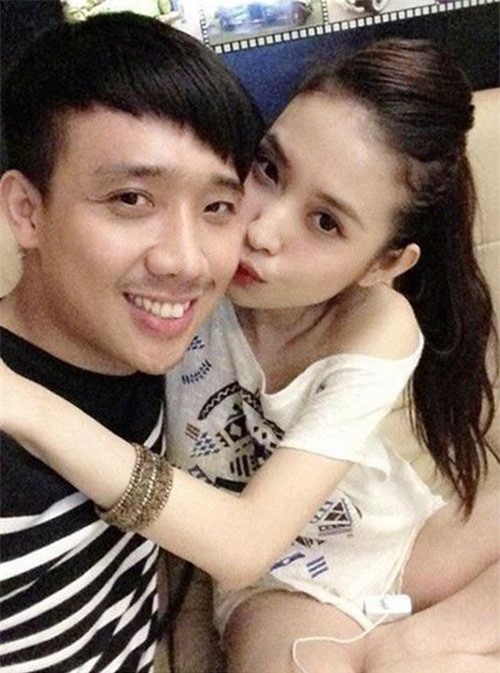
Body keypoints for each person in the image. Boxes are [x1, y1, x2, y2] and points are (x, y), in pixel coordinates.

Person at [2, 39, 499, 673]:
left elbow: (243, 538)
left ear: (383, 264)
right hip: (284, 585)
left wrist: (414, 646)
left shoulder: (373, 321)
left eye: (325, 223)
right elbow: (218, 553)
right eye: (267, 169)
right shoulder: (179, 291)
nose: (259, 232)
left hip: (404, 541)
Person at [0, 11, 262, 672]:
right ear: (27, 211)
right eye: (130, 199)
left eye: (217, 208)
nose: (185, 261)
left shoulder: (170, 355)